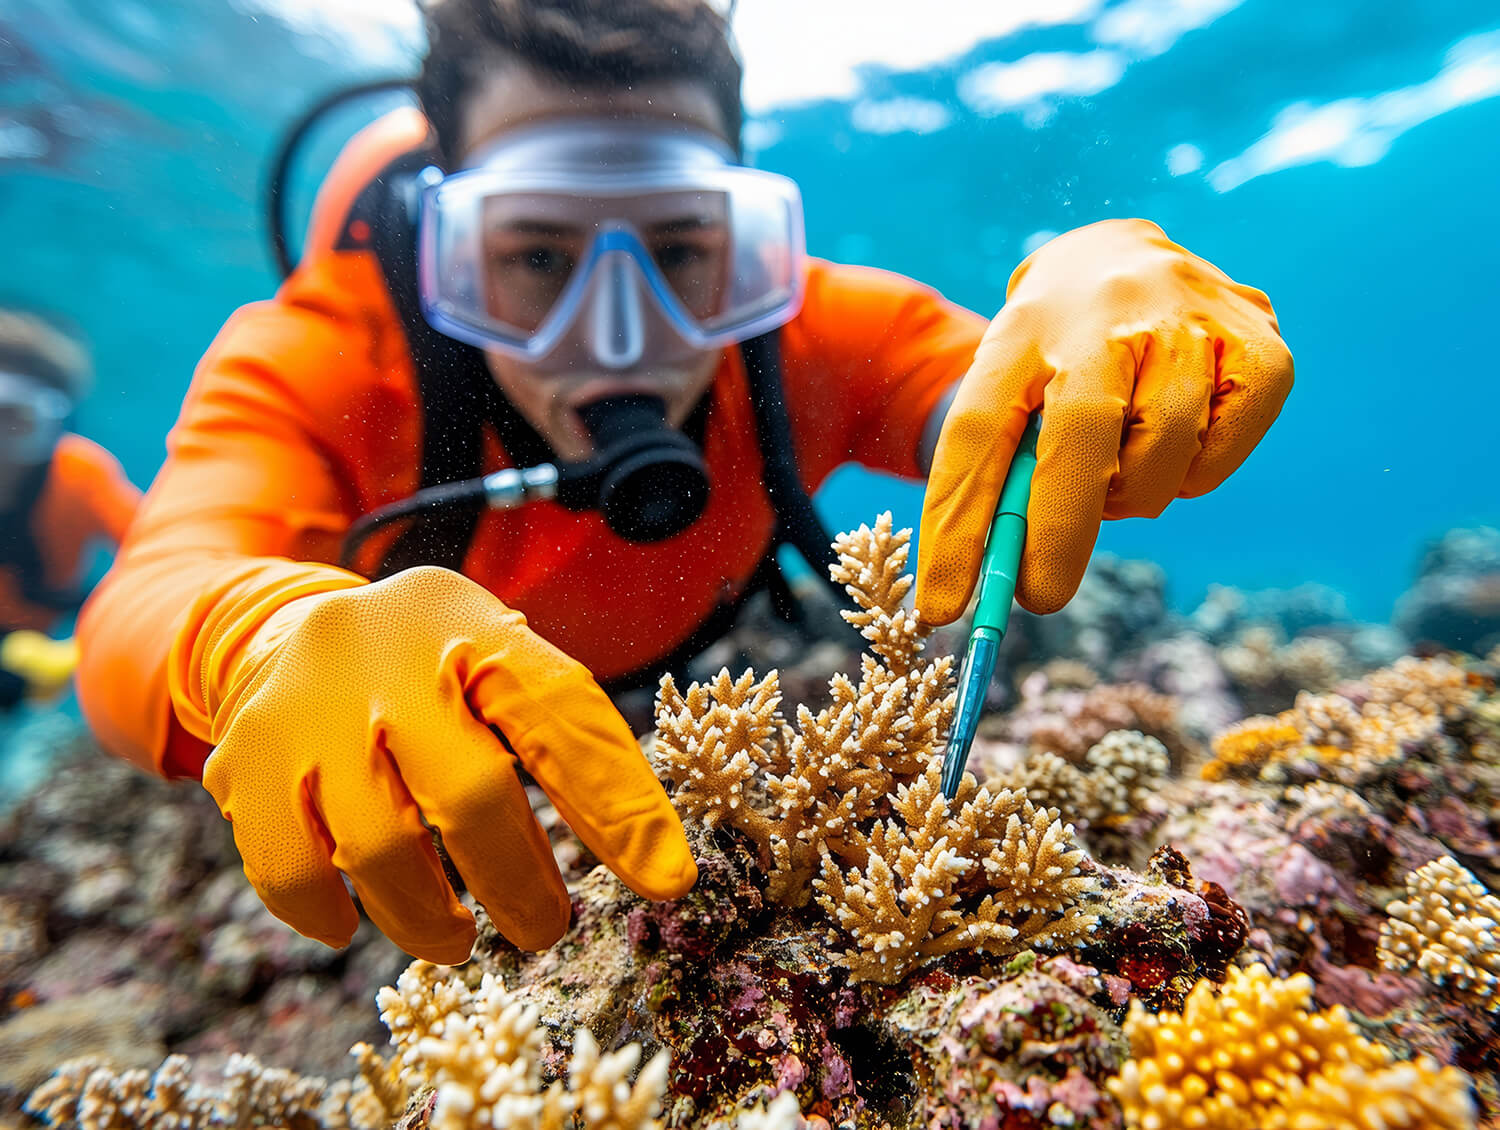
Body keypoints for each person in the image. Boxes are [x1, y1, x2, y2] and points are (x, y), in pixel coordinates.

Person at [75, 0, 1293, 965]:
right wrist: (266, 633)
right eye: (538, 254)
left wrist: (1121, 334)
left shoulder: (815, 330)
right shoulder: (322, 353)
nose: (622, 335)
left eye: (677, 249)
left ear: (745, 236)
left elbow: (1044, 412)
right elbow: (145, 602)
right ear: (448, 241)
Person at [0, 311, 140, 712]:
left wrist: (83, 649)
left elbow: (162, 557)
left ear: (58, 425)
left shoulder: (81, 477)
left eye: (17, 422)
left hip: (30, 669)